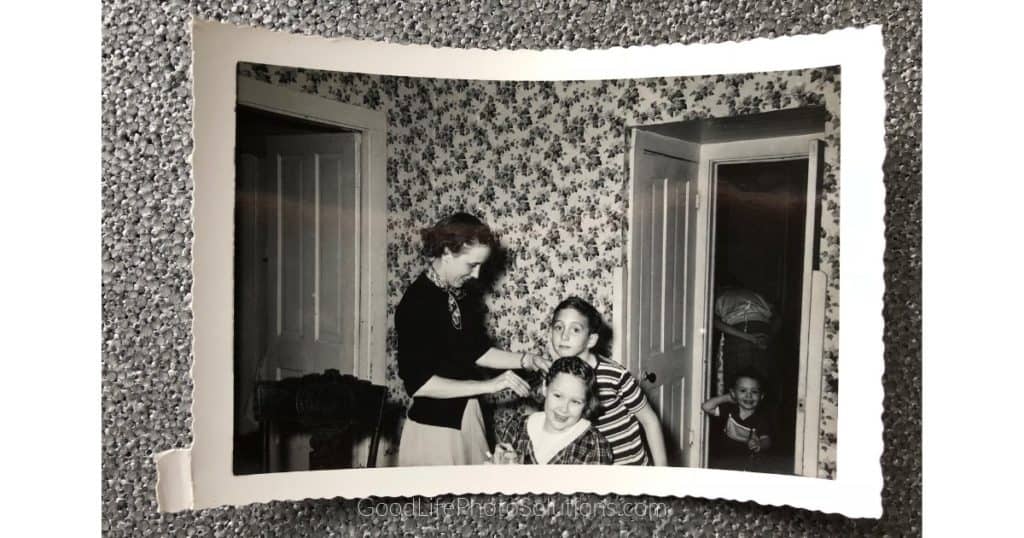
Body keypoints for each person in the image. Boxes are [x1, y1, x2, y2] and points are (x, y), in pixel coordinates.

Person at [396, 212, 551, 466]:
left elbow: (476, 351)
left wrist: (526, 359)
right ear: (447, 251)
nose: (477, 275)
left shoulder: (459, 296)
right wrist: (489, 386)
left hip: (467, 415)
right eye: (471, 265)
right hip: (435, 429)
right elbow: (420, 384)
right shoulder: (417, 302)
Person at [545, 296, 668, 466]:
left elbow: (650, 420)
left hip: (627, 469)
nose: (564, 336)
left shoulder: (614, 375)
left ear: (591, 340)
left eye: (575, 330)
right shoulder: (555, 375)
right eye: (559, 327)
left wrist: (662, 472)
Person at [489, 356, 613, 465]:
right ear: (545, 388)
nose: (564, 409)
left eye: (575, 402)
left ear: (586, 404)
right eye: (558, 396)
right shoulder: (517, 427)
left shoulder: (593, 445)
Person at [701, 371, 775, 472]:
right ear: (733, 393)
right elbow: (706, 407)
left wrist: (759, 445)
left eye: (754, 392)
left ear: (761, 396)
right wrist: (726, 397)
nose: (749, 396)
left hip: (746, 462)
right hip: (724, 457)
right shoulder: (729, 410)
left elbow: (767, 440)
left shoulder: (761, 419)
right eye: (743, 391)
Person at [713, 285, 780, 395]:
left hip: (739, 336)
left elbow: (714, 322)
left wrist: (749, 337)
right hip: (762, 334)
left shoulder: (720, 297)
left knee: (737, 385)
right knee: (760, 386)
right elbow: (778, 318)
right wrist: (768, 337)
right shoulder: (757, 295)